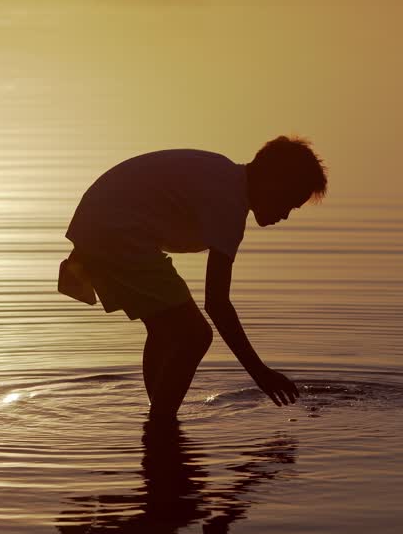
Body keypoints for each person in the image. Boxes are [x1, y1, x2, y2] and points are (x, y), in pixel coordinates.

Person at [59, 136, 327, 421]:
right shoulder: (229, 203)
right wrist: (259, 372)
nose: (284, 215)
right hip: (116, 231)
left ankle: (160, 422)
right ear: (274, 183)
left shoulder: (223, 176)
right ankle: (161, 423)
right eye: (288, 203)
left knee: (166, 332)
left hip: (101, 225)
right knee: (195, 335)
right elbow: (217, 303)